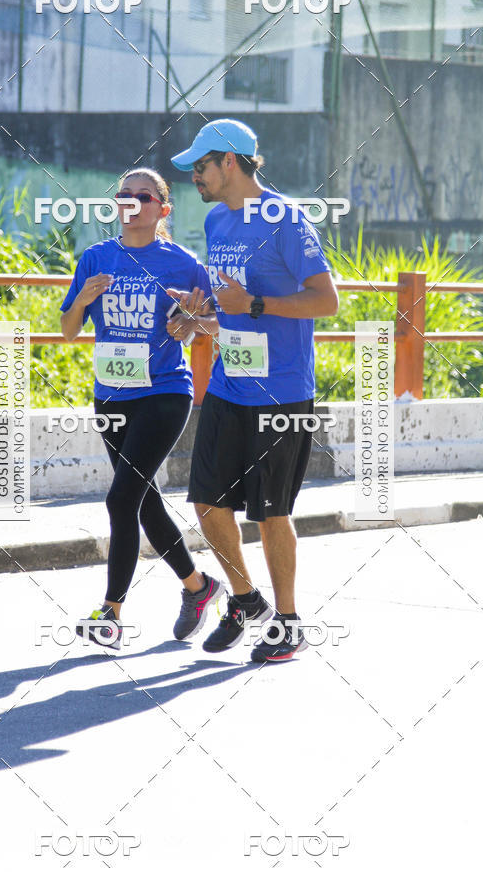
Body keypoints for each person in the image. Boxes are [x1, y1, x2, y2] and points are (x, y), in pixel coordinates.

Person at [168, 119, 339, 662]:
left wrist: (258, 305)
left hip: (281, 391)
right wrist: (197, 317)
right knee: (205, 502)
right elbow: (228, 307)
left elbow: (326, 301)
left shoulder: (286, 220)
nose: (195, 176)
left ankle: (288, 623)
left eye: (201, 166)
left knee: (270, 514)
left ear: (232, 163)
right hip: (227, 383)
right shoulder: (218, 220)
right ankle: (245, 599)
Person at [60, 167, 224, 650]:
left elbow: (210, 322)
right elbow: (70, 329)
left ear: (163, 209)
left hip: (164, 392)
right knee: (142, 499)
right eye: (124, 194)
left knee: (120, 498)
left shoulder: (183, 263)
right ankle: (198, 587)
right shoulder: (96, 257)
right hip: (111, 394)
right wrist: (84, 299)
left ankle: (110, 613)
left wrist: (190, 322)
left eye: (144, 196)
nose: (132, 202)